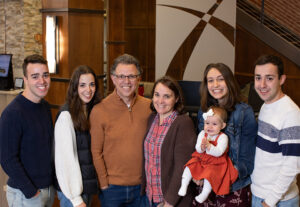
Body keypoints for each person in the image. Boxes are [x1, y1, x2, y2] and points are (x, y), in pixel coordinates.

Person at [90, 54, 152, 207]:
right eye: (121, 76)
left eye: (131, 76)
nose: (126, 81)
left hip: (142, 188)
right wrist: (104, 184)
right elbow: (95, 152)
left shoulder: (150, 107)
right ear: (113, 78)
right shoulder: (99, 110)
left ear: (138, 78)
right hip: (112, 190)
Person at [193, 63, 257, 207]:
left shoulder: (244, 112)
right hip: (206, 183)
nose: (215, 84)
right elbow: (200, 147)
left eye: (220, 79)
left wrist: (227, 176)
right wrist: (199, 170)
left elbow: (247, 159)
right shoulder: (203, 111)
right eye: (210, 80)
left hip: (232, 185)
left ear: (229, 81)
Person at [0, 54, 55, 207]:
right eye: (35, 76)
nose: (42, 81)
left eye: (45, 75)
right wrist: (31, 192)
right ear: (25, 79)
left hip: (47, 190)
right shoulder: (13, 113)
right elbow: (7, 159)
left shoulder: (45, 107)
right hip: (25, 194)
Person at [251, 55, 300, 207]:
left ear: (282, 79)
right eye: (258, 78)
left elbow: (292, 164)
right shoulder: (266, 105)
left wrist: (270, 201)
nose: (262, 84)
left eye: (270, 78)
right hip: (260, 194)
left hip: (277, 201)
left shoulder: (290, 113)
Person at [141, 76, 197, 207]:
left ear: (176, 98)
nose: (160, 101)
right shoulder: (152, 119)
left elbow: (182, 167)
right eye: (157, 95)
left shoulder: (183, 123)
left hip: (170, 200)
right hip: (149, 196)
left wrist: (169, 202)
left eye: (167, 96)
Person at [54, 65, 101, 207]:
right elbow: (65, 160)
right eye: (82, 85)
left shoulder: (91, 111)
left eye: (92, 84)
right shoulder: (66, 116)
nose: (88, 90)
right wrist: (75, 199)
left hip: (85, 188)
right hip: (73, 194)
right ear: (75, 88)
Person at [178, 106, 238, 203]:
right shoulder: (202, 133)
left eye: (214, 124)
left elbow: (219, 152)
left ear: (222, 126)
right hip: (201, 158)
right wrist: (201, 147)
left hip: (216, 162)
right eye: (207, 123)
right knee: (190, 166)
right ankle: (184, 184)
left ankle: (205, 193)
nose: (209, 127)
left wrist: (209, 146)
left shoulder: (223, 137)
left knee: (210, 174)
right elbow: (197, 148)